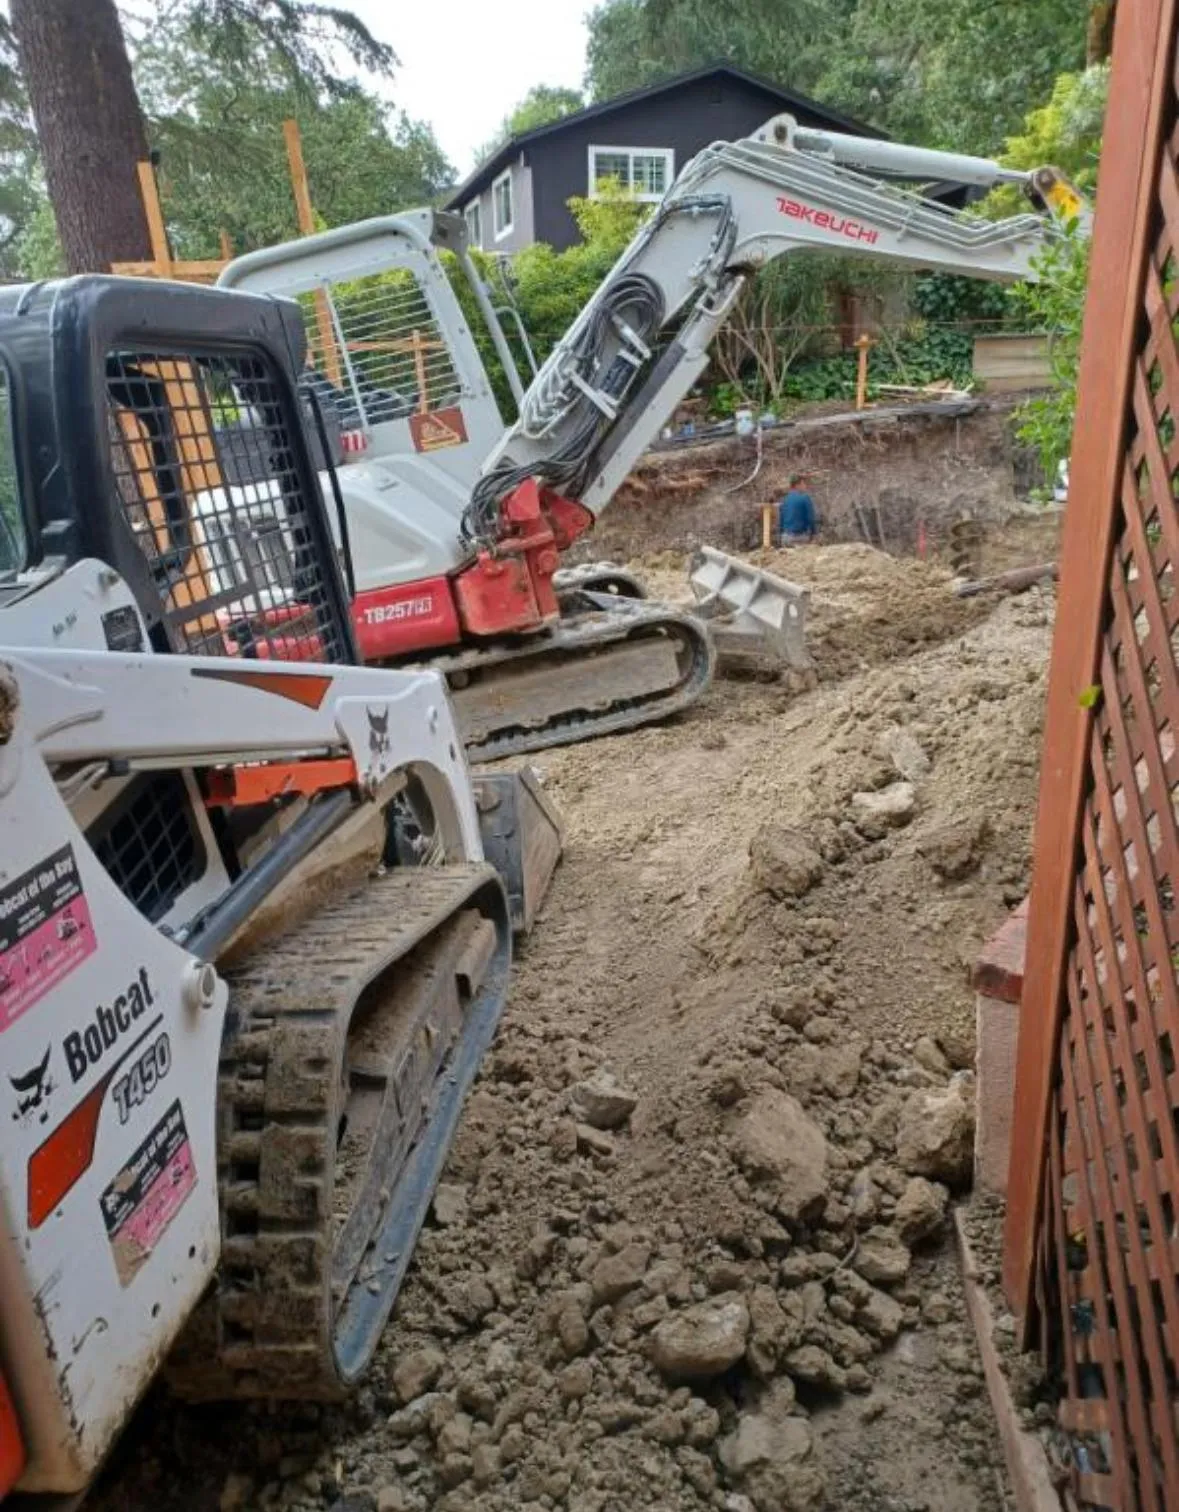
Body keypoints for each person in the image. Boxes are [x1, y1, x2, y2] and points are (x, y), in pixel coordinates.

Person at [778, 474, 817, 544]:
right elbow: (810, 518)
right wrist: (813, 534)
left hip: (785, 538)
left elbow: (781, 520)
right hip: (800, 538)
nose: (805, 486)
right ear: (797, 485)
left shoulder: (784, 500)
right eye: (803, 483)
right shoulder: (805, 498)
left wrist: (780, 536)